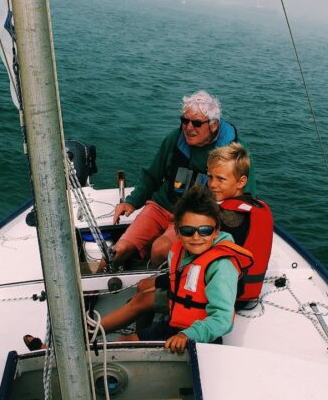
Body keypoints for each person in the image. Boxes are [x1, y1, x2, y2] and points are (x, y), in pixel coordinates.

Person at [100, 142, 259, 333]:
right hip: (211, 281)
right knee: (144, 287)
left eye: (221, 179)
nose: (213, 184)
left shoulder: (229, 219)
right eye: (210, 177)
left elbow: (199, 268)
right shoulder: (236, 207)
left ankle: (99, 334)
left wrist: (160, 282)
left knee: (142, 297)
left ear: (241, 182)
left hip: (208, 292)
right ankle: (142, 332)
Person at [111, 90, 252, 268]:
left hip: (192, 215)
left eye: (197, 123)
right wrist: (131, 202)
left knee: (160, 249)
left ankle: (158, 286)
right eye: (185, 121)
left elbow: (245, 195)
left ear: (214, 125)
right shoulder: (175, 139)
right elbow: (152, 175)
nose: (189, 127)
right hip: (162, 205)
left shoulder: (233, 153)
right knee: (119, 249)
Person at [116, 185, 252, 353]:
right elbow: (180, 279)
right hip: (173, 324)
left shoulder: (222, 266)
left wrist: (188, 335)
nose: (196, 237)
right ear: (177, 232)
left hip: (201, 337)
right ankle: (91, 331)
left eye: (205, 231)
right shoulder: (180, 252)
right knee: (123, 342)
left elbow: (223, 318)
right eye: (188, 231)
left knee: (132, 345)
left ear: (216, 231)